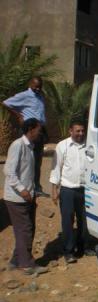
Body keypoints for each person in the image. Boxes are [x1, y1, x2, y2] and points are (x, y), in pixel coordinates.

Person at [3, 118, 49, 276]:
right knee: (25, 229)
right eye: (38, 129)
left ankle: (16, 260)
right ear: (30, 129)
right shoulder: (18, 145)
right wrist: (22, 190)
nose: (40, 133)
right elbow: (9, 171)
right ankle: (26, 264)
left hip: (27, 196)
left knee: (27, 229)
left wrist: (32, 191)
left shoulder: (30, 146)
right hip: (17, 198)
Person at [50, 120, 93, 263]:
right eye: (77, 131)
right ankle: (68, 251)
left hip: (85, 189)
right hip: (68, 190)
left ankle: (84, 247)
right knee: (68, 220)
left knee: (85, 219)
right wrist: (54, 189)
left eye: (82, 131)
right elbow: (56, 168)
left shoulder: (89, 145)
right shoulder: (62, 146)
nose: (81, 133)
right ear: (70, 131)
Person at [2, 77, 48, 196]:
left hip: (39, 131)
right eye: (35, 87)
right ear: (30, 84)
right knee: (26, 161)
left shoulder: (40, 96)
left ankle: (37, 187)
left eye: (39, 87)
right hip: (29, 131)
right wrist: (18, 116)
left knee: (37, 161)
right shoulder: (24, 95)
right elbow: (6, 103)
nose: (37, 89)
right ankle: (24, 186)